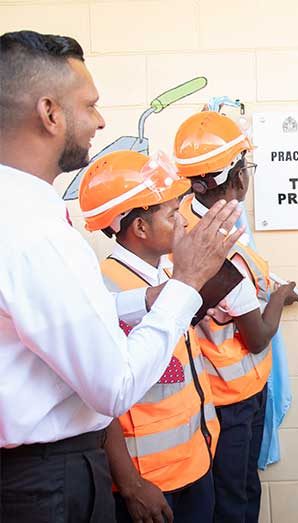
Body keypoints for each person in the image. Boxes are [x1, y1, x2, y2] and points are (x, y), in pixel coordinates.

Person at [0, 30, 242, 523]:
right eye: (89, 105)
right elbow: (113, 386)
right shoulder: (32, 232)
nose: (100, 120)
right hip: (44, 482)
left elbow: (58, 323)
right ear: (50, 114)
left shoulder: (21, 215)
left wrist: (150, 299)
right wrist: (185, 284)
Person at [78, 150, 223, 523]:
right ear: (140, 228)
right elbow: (100, 398)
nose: (183, 223)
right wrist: (131, 485)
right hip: (151, 484)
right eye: (173, 215)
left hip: (193, 463)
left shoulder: (167, 277)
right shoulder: (106, 289)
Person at [173, 110, 298, 523]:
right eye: (246, 165)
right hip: (226, 399)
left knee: (242, 490)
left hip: (238, 391)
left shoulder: (196, 223)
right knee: (234, 500)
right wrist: (279, 297)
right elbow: (258, 335)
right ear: (236, 176)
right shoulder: (209, 243)